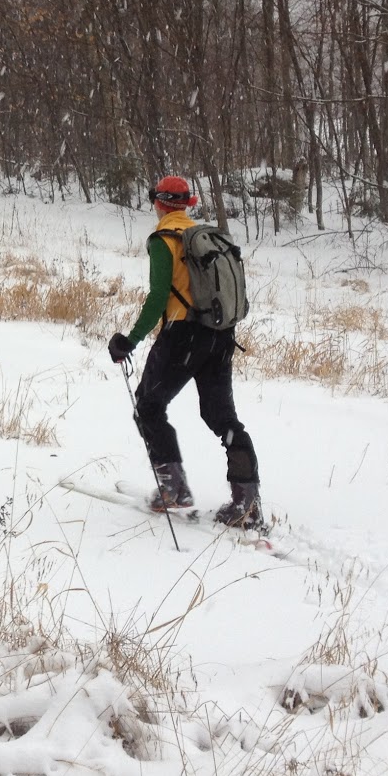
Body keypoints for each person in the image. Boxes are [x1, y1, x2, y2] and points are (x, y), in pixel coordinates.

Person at [106, 175, 264, 529]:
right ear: (187, 205)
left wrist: (129, 340)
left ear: (159, 203)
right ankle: (247, 502)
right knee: (222, 419)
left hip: (183, 336)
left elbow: (158, 297)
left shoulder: (163, 240)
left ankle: (174, 490)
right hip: (221, 335)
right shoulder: (203, 238)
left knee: (148, 406)